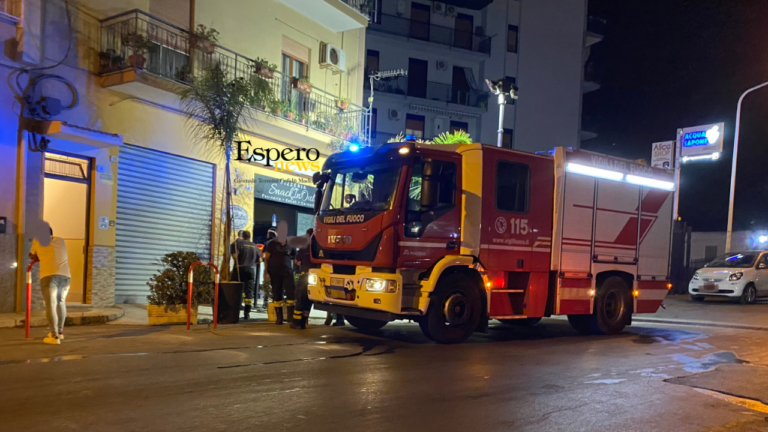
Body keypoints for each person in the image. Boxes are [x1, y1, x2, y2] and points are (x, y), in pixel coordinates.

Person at [29, 227, 71, 345]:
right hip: (65, 276)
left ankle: (54, 336)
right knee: (61, 302)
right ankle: (60, 333)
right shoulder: (61, 240)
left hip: (49, 276)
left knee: (51, 305)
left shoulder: (37, 241)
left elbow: (32, 255)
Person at [263, 222, 295, 325]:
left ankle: (290, 317)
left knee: (291, 293)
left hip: (287, 272)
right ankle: (279, 318)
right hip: (275, 273)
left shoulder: (291, 244)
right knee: (277, 294)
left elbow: (294, 258)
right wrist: (266, 272)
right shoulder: (271, 244)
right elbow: (266, 258)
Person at [230, 230, 260, 320]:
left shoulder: (238, 244)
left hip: (240, 268)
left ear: (242, 236)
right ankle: (247, 313)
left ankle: (234, 312)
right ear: (249, 236)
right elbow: (260, 260)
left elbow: (235, 256)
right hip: (251, 269)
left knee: (236, 290)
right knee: (249, 292)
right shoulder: (255, 246)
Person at [291, 228, 315, 329]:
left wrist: (300, 262)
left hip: (305, 275)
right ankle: (304, 321)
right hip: (315, 278)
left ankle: (296, 322)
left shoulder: (305, 248)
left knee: (300, 298)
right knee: (309, 300)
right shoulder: (318, 248)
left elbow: (296, 260)